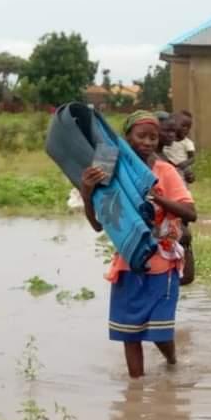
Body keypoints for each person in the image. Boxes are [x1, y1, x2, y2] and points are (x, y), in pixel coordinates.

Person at [80, 110, 197, 378]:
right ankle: (137, 389)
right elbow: (99, 224)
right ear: (127, 137)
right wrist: (87, 193)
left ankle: (171, 361)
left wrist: (159, 200)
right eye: (141, 136)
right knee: (129, 334)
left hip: (162, 263)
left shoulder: (165, 171)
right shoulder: (109, 169)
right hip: (129, 261)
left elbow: (190, 213)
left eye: (153, 137)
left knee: (159, 330)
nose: (147, 142)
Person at [156, 111, 195, 285]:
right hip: (164, 226)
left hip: (174, 222)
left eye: (174, 130)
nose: (172, 134)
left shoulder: (164, 158)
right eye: (167, 131)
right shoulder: (154, 159)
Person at [163, 110, 196, 184]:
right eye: (183, 126)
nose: (186, 129)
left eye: (188, 127)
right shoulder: (168, 141)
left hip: (182, 168)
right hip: (168, 168)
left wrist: (185, 164)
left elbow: (192, 158)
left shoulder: (188, 143)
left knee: (183, 184)